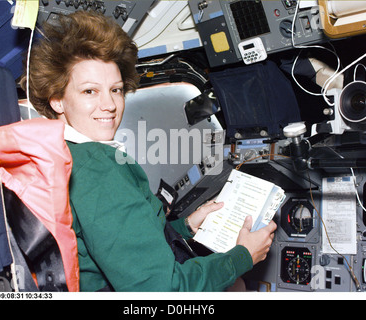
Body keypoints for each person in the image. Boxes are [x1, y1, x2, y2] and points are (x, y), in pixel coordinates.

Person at [20, 11, 276, 292]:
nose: (109, 105)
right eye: (89, 92)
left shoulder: (63, 155)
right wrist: (243, 256)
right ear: (57, 99)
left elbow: (117, 245)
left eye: (116, 90)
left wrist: (186, 226)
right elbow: (161, 289)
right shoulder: (97, 168)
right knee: (236, 284)